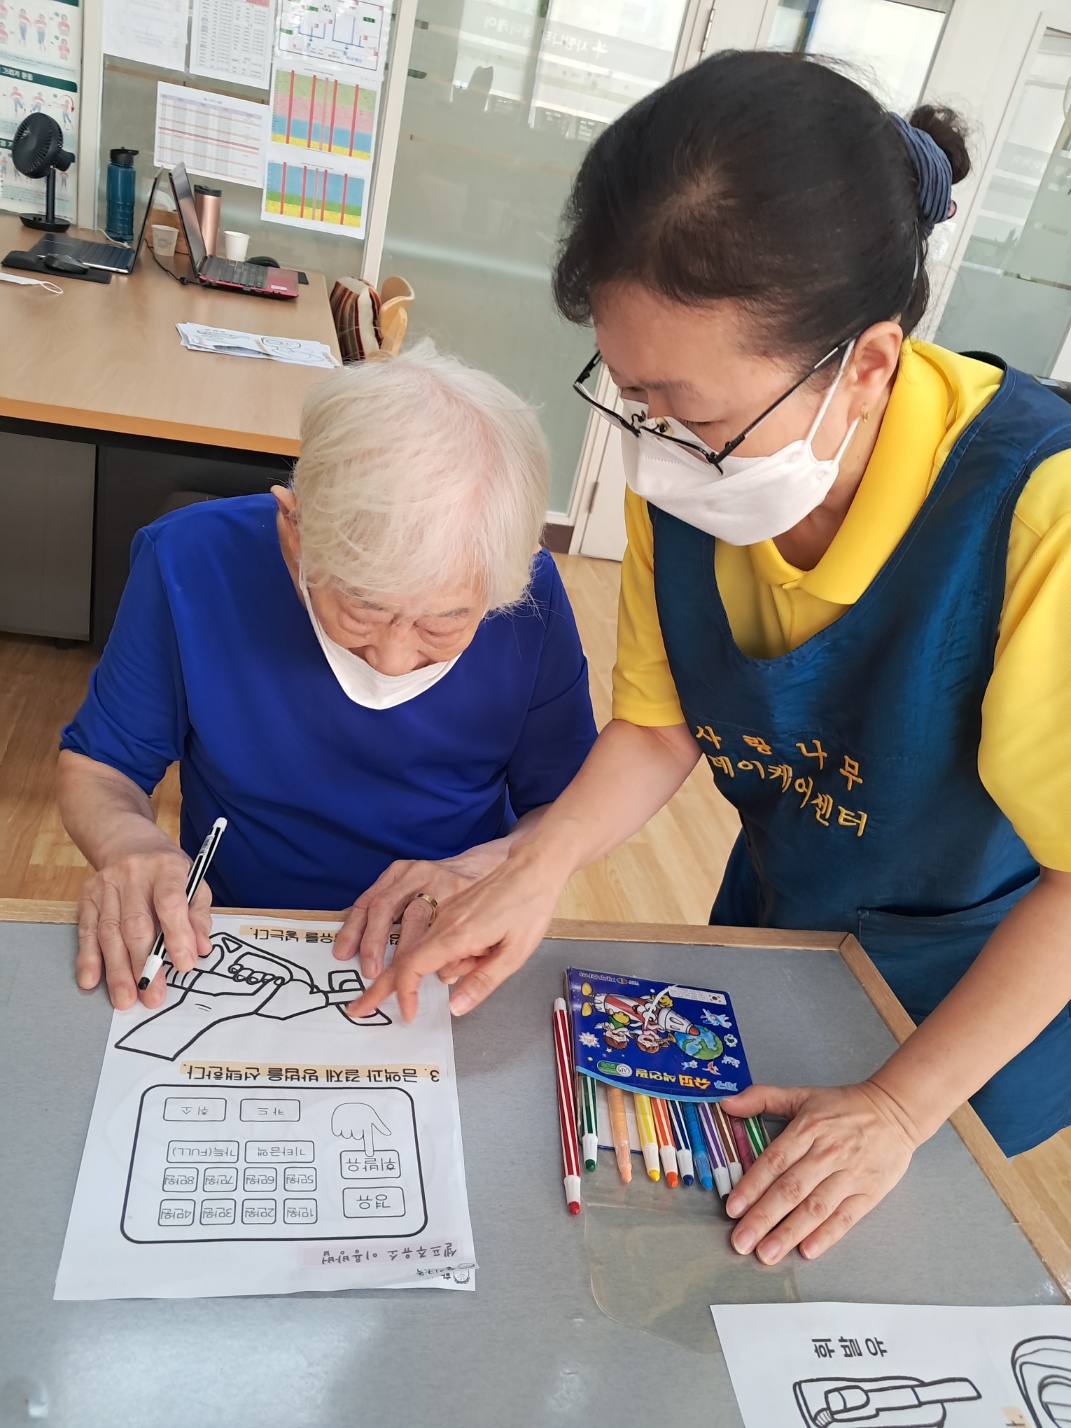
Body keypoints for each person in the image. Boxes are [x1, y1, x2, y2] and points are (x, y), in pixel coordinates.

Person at [352, 52, 1071, 1264]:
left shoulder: (1038, 511)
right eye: (633, 397)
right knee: (702, 1239)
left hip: (980, 994)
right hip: (786, 923)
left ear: (868, 366)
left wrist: (900, 1108)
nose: (654, 448)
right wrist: (536, 864)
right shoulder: (691, 464)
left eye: (691, 411)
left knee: (882, 1264)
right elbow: (659, 723)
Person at [58, 341, 596, 1013]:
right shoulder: (190, 561)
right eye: (363, 607)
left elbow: (566, 809)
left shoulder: (527, 595)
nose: (392, 657)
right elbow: (100, 766)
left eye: (445, 620)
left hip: (442, 940)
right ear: (295, 531)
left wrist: (493, 867)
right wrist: (130, 846)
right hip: (230, 934)